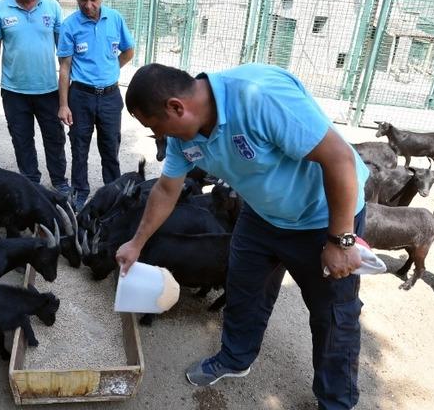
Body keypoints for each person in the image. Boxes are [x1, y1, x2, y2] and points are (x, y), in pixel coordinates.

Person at [116, 63, 370, 409]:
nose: (160, 137)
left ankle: (336, 400)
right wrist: (136, 243)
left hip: (322, 215)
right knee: (244, 286)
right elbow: (166, 189)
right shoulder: (182, 136)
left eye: (156, 127)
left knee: (333, 312)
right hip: (262, 213)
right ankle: (236, 357)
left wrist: (341, 240)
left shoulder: (259, 97)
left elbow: (339, 159)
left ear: (177, 107)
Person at [0, 0, 70, 194]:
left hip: (48, 89)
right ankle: (31, 184)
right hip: (14, 91)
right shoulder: (0, 8)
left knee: (54, 139)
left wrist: (66, 87)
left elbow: (63, 50)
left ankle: (60, 183)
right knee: (22, 141)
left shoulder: (52, 7)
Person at [57, 0, 134, 211]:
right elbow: (65, 68)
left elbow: (128, 51)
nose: (88, 5)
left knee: (110, 146)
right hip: (80, 96)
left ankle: (115, 191)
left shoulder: (115, 19)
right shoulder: (69, 26)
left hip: (111, 97)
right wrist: (63, 104)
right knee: (79, 147)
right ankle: (80, 193)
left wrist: (112, 70)